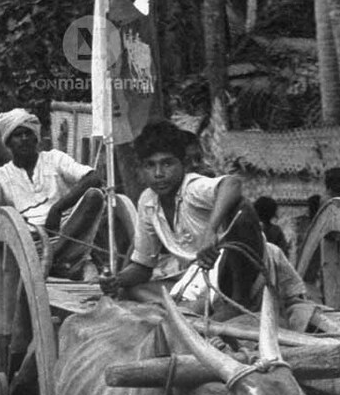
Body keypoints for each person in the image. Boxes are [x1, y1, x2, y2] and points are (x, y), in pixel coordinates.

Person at [99, 120, 243, 299]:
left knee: (176, 305)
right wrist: (116, 280)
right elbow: (143, 268)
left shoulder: (191, 187)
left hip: (225, 273)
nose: (158, 173)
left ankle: (185, 309)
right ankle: (180, 308)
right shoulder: (147, 201)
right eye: (150, 165)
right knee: (131, 291)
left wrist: (210, 231)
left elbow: (232, 183)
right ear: (141, 169)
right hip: (191, 278)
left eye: (167, 164)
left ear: (183, 163)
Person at [0, 108, 106, 280]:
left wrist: (57, 209)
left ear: (36, 137)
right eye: (17, 135)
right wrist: (13, 221)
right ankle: (54, 260)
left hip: (66, 231)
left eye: (28, 133)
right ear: (8, 143)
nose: (23, 139)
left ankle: (53, 257)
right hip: (29, 242)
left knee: (94, 196)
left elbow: (94, 177)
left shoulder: (55, 159)